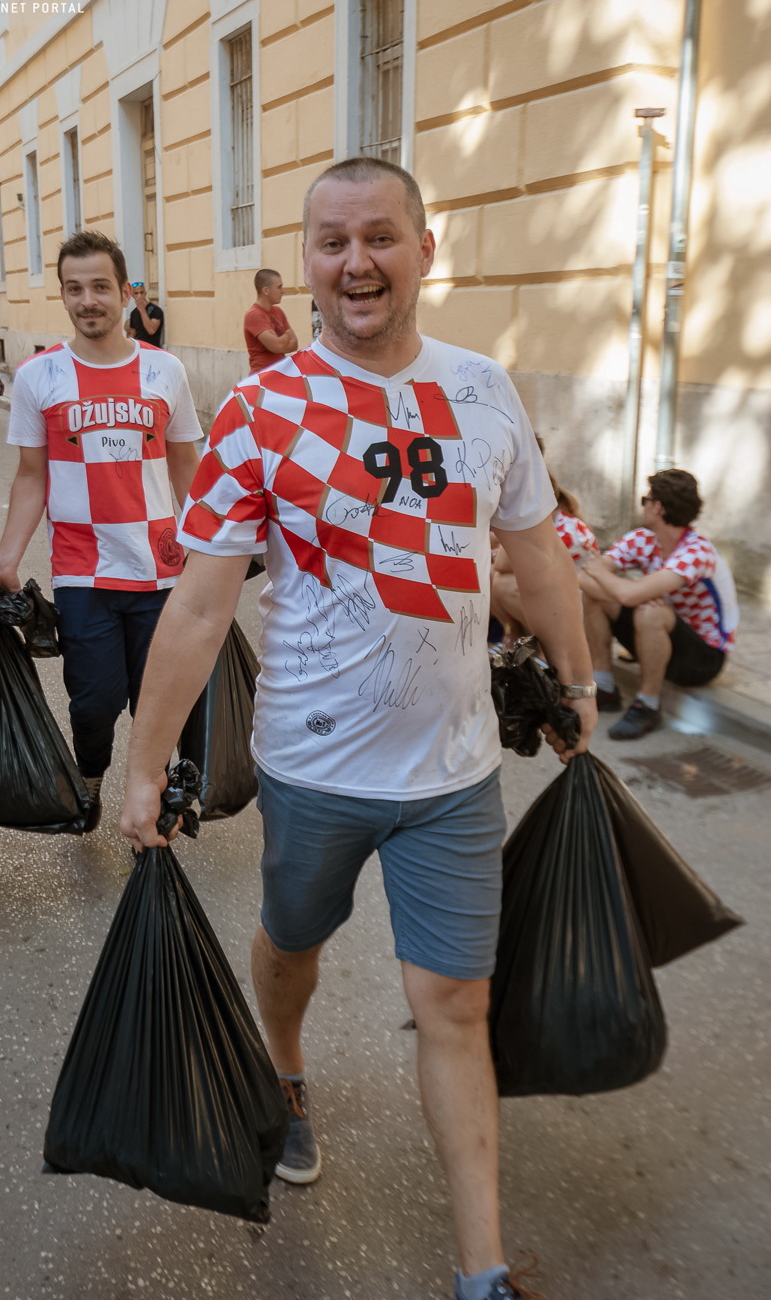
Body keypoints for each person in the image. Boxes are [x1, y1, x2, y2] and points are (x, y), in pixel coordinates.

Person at [120, 158, 597, 1300]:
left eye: (379, 236)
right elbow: (197, 603)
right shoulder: (259, 409)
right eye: (331, 242)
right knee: (291, 949)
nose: (355, 263)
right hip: (311, 767)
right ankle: (283, 1065)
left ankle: (480, 1267)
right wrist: (145, 767)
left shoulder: (484, 392)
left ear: (426, 249)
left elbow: (534, 552)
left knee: (455, 1000)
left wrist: (575, 682)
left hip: (452, 775)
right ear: (305, 261)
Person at [0, 230, 202, 833]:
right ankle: (91, 779)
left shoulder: (165, 371)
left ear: (126, 292)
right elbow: (31, 477)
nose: (89, 300)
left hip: (162, 568)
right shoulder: (39, 377)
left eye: (101, 287)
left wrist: (214, 545)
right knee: (95, 701)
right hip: (83, 571)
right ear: (63, 295)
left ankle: (152, 804)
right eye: (75, 289)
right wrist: (7, 557)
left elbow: (186, 464)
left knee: (157, 702)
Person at [580, 468, 739, 739]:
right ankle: (605, 686)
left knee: (649, 611)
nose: (642, 506)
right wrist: (620, 585)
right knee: (599, 595)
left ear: (657, 507)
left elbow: (623, 591)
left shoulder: (696, 552)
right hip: (656, 638)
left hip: (703, 657)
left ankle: (648, 705)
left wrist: (621, 586)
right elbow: (585, 575)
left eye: (645, 500)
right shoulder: (643, 539)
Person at [491, 456, 598, 643]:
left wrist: (511, 529)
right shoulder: (547, 523)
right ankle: (513, 641)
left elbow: (502, 563)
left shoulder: (567, 530)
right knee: (492, 575)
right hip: (556, 596)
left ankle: (545, 648)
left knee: (504, 583)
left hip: (580, 609)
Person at [243, 268, 298, 370]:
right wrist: (286, 336)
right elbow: (277, 347)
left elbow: (294, 344)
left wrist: (280, 340)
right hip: (262, 376)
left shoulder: (278, 312)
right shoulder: (254, 315)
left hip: (280, 373)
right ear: (266, 290)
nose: (283, 291)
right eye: (279, 287)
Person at [126, 282, 164, 347]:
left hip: (152, 350)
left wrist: (142, 310)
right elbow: (133, 333)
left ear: (145, 293)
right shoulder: (133, 313)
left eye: (141, 292)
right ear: (132, 295)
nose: (139, 296)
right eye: (136, 293)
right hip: (140, 349)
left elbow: (151, 330)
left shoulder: (155, 310)